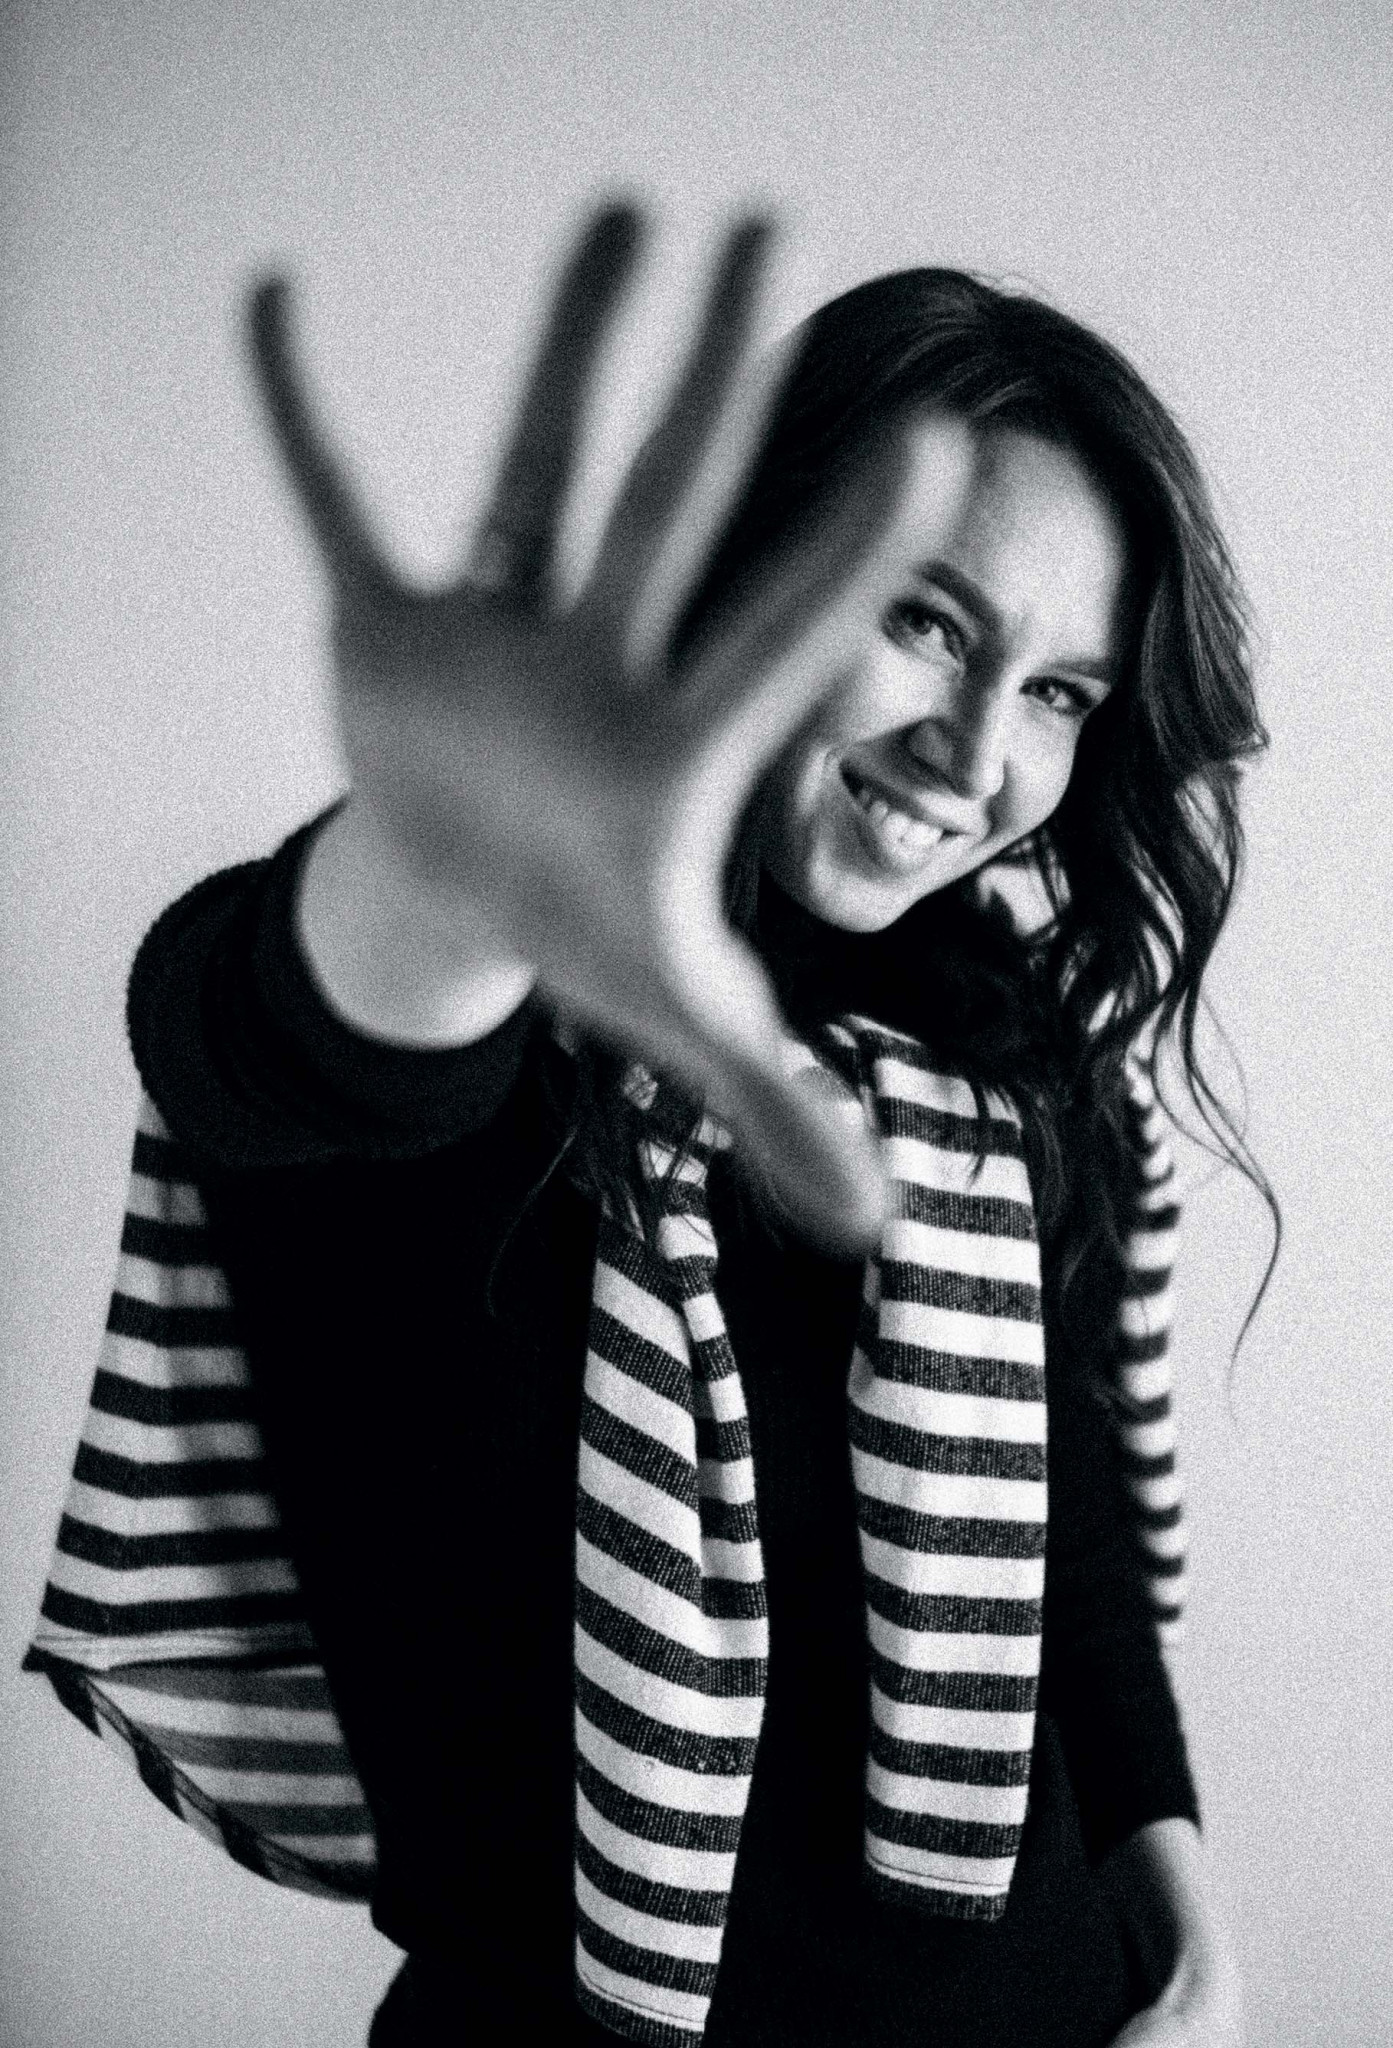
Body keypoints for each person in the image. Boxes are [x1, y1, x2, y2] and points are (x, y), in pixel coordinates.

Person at [28, 204, 1264, 2045]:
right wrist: (442, 870)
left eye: (1061, 693)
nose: (976, 751)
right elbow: (277, 1042)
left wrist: (1196, 1952)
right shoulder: (480, 1024)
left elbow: (1073, 1572)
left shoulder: (1011, 1075)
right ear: (750, 575)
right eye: (926, 621)